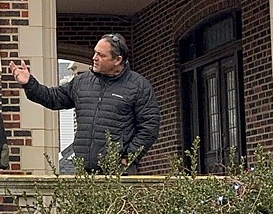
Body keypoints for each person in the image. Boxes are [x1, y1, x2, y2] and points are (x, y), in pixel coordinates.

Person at [9, 33, 161, 174]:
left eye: (101, 55)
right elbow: (52, 98)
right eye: (95, 52)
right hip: (84, 173)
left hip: (119, 174)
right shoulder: (82, 82)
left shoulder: (138, 86)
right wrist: (29, 83)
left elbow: (149, 127)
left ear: (117, 60)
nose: (94, 57)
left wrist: (128, 158)